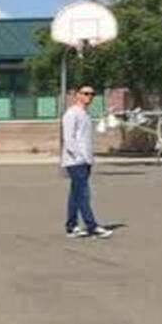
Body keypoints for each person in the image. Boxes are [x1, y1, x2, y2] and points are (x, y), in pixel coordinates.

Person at [62, 86, 113, 239]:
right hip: (76, 161)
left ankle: (71, 227)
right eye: (85, 93)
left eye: (92, 94)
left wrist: (88, 158)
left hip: (85, 160)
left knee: (75, 195)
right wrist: (79, 157)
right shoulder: (72, 113)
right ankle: (92, 226)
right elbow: (69, 138)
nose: (89, 96)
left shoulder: (85, 114)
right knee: (84, 194)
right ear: (77, 95)